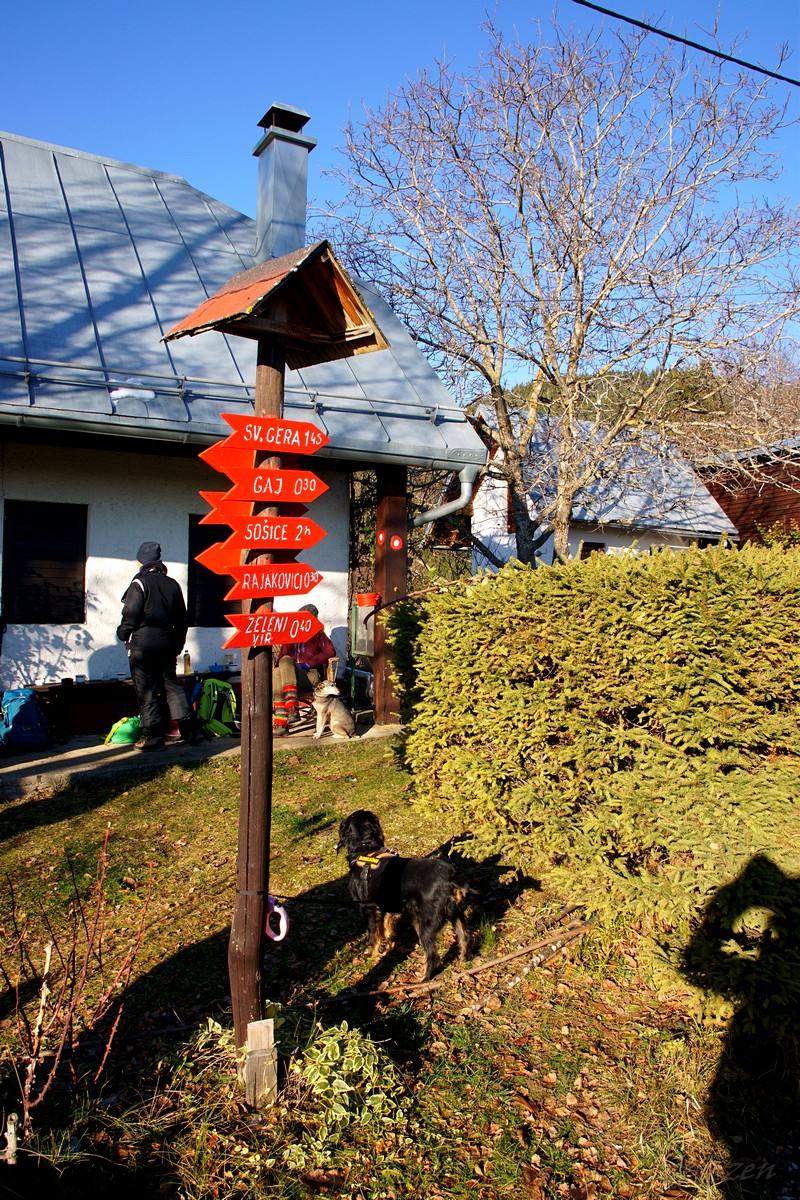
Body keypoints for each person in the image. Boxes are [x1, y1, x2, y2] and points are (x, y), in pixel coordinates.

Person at [116, 541, 195, 751]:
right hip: (167, 644)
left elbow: (130, 615)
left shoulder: (139, 584)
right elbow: (182, 619)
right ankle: (189, 730)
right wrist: (178, 643)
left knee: (147, 690)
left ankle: (152, 737)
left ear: (141, 560)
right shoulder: (173, 584)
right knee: (172, 685)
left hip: (143, 646)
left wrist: (122, 633)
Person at [273, 603, 336, 733]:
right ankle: (292, 708)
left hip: (309, 675)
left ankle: (282, 721)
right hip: (291, 676)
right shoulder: (291, 634)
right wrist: (291, 665)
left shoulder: (318, 634)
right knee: (280, 667)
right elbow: (281, 659)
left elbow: (330, 651)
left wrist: (309, 663)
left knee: (280, 669)